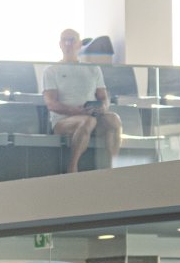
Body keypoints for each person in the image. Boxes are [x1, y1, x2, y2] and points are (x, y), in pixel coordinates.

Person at [43, 28, 122, 174]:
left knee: (114, 120)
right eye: (64, 40)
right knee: (87, 121)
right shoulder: (51, 70)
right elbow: (51, 103)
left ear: (79, 44)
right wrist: (74, 111)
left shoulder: (93, 68)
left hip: (91, 116)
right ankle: (72, 167)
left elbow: (103, 96)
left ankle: (113, 168)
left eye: (71, 40)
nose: (68, 44)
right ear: (60, 44)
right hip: (63, 121)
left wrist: (103, 107)